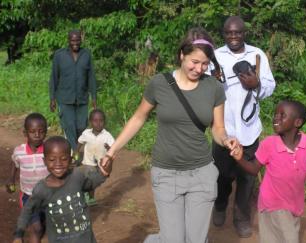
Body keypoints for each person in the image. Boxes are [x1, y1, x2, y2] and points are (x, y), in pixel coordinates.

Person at [101, 27, 239, 243]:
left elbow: (218, 128)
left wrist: (226, 140)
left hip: (201, 174)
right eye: (194, 61)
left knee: (196, 240)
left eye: (205, 64)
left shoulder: (213, 87)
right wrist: (112, 151)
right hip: (167, 174)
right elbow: (138, 118)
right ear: (181, 55)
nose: (199, 68)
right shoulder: (160, 83)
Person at [211, 16, 276, 237]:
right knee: (221, 176)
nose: (233, 36)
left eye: (237, 32)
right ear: (224, 34)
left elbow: (270, 86)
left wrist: (256, 84)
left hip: (249, 131)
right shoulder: (215, 56)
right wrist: (213, 80)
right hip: (223, 130)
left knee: (247, 179)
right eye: (229, 33)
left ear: (244, 33)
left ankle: (241, 217)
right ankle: (220, 205)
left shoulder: (257, 54)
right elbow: (204, 86)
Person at [230, 100, 306, 243]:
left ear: (297, 122)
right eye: (276, 114)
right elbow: (254, 169)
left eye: (282, 115)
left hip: (295, 205)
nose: (276, 118)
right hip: (273, 202)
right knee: (290, 239)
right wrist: (239, 158)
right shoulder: (269, 143)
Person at [12, 136, 112, 243]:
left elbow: (91, 183)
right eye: (52, 159)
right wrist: (18, 234)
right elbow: (27, 211)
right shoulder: (42, 189)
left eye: (64, 159)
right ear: (44, 161)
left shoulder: (77, 176)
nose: (58, 163)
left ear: (70, 159)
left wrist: (104, 173)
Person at [49, 29, 97, 151]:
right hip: (64, 98)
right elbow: (54, 77)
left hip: (82, 98)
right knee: (69, 126)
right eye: (72, 40)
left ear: (81, 40)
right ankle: (74, 153)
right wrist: (52, 98)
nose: (75, 43)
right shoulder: (59, 55)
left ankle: (72, 149)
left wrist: (94, 97)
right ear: (68, 40)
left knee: (81, 126)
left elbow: (91, 77)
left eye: (77, 40)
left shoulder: (86, 54)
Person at [6, 113, 49, 243]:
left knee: (45, 227)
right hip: (28, 196)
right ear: (25, 133)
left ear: (46, 133)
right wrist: (11, 179)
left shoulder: (49, 149)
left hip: (48, 195)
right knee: (36, 228)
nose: (37, 135)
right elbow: (15, 163)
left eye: (41, 132)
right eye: (32, 132)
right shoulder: (19, 151)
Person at [76, 109, 115, 206]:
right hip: (87, 163)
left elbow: (113, 148)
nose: (98, 123)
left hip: (101, 164)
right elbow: (80, 143)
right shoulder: (86, 133)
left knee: (93, 182)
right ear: (90, 122)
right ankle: (86, 196)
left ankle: (91, 197)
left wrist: (109, 148)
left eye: (101, 121)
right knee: (86, 179)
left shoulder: (107, 135)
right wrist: (75, 154)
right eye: (95, 120)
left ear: (104, 122)